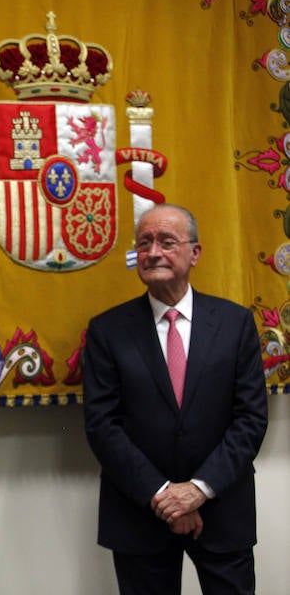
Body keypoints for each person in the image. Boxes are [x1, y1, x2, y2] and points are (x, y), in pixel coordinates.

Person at [83, 204, 268, 594]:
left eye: (167, 242)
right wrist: (163, 494)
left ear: (194, 253)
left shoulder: (235, 324)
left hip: (222, 509)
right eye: (144, 243)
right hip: (139, 512)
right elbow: (103, 425)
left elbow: (250, 419)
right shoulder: (107, 330)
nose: (153, 252)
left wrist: (198, 489)